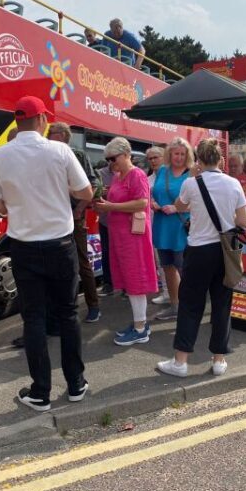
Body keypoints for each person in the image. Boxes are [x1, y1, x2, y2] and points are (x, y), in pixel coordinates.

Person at [0, 96, 93, 410]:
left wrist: (19, 204)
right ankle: (75, 385)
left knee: (33, 318)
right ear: (43, 120)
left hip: (24, 247)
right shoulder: (59, 150)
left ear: (17, 122)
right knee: (68, 313)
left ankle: (40, 393)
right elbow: (85, 192)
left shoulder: (0, 156)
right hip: (60, 245)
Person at [156, 138, 246, 378]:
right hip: (225, 252)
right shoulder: (234, 184)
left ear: (198, 159)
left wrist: (194, 174)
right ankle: (218, 361)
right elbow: (242, 223)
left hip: (198, 251)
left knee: (190, 305)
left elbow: (179, 206)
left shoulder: (191, 183)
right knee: (222, 304)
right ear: (221, 159)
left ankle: (180, 362)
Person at [93, 137, 157, 346]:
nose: (111, 162)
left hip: (132, 236)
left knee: (135, 278)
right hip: (122, 235)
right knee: (129, 280)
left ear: (126, 154)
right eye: (108, 159)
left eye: (113, 158)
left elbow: (142, 202)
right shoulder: (121, 176)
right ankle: (140, 323)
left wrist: (110, 206)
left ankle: (140, 328)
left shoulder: (136, 175)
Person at [48, 122, 102, 323]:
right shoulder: (46, 156)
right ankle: (61, 310)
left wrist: (79, 210)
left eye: (50, 133)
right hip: (53, 217)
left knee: (81, 263)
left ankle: (93, 306)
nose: (47, 137)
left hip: (73, 217)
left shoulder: (77, 155)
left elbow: (94, 185)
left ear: (62, 135)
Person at [150, 137, 193, 321]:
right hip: (162, 225)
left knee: (184, 268)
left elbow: (199, 202)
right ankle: (175, 306)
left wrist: (177, 207)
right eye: (176, 153)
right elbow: (154, 193)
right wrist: (153, 203)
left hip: (181, 227)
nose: (179, 157)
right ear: (169, 154)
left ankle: (190, 307)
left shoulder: (191, 174)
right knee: (167, 267)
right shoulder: (162, 171)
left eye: (183, 154)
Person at [146, 146, 168, 305]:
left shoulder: (171, 176)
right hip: (154, 223)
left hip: (172, 222)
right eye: (150, 158)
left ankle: (180, 293)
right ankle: (167, 292)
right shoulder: (147, 180)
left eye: (156, 157)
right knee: (160, 261)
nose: (153, 161)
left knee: (177, 261)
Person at [96, 162, 115, 296]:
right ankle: (108, 283)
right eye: (109, 157)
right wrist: (99, 193)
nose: (112, 160)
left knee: (123, 253)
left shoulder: (130, 173)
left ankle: (126, 286)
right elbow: (93, 193)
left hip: (123, 221)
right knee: (106, 252)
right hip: (105, 220)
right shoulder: (100, 173)